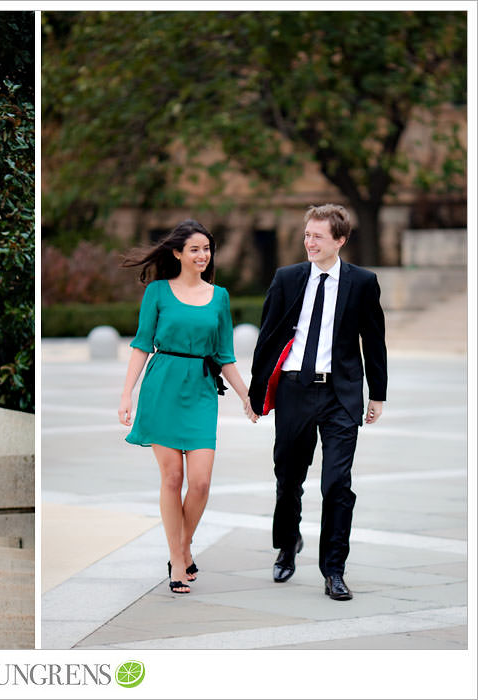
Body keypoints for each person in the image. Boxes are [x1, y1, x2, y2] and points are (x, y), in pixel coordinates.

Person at [248, 204, 387, 601]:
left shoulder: (362, 282)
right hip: (295, 390)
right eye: (307, 235)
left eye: (318, 236)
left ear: (339, 240)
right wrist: (257, 395)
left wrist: (377, 393)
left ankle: (334, 571)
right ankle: (287, 544)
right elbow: (268, 337)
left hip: (340, 393)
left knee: (337, 484)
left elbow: (373, 340)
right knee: (288, 478)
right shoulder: (288, 278)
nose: (309, 242)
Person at [118, 220, 258, 595]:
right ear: (177, 253)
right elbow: (142, 344)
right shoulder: (158, 292)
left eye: (207, 249)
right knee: (172, 479)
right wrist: (126, 394)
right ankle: (177, 560)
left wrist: (246, 396)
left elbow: (225, 355)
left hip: (200, 390)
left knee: (200, 481)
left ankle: (182, 544)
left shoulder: (220, 297)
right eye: (194, 249)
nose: (202, 255)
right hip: (162, 386)